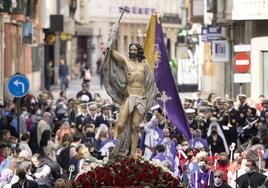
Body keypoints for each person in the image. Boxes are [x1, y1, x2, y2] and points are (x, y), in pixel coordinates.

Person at [102, 42, 158, 159]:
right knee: (121, 124)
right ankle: (120, 146)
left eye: (134, 50)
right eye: (130, 49)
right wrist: (109, 47)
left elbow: (150, 82)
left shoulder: (145, 65)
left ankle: (132, 153)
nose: (132, 52)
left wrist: (151, 95)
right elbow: (113, 53)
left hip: (141, 98)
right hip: (129, 97)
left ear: (139, 51)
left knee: (135, 127)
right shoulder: (126, 62)